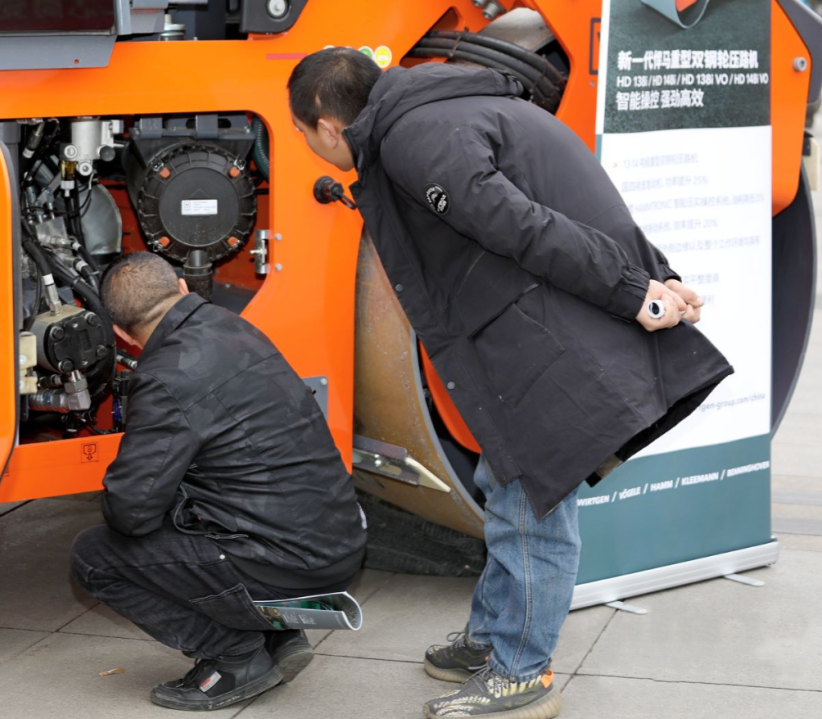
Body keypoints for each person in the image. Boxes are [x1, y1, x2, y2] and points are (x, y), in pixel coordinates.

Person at [288, 49, 732, 719]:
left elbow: (522, 225)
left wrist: (635, 288)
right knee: (509, 481)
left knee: (531, 497)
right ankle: (496, 633)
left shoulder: (417, 138)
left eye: (299, 134)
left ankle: (521, 669)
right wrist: (650, 276)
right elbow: (571, 198)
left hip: (545, 329)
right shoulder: (445, 110)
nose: (307, 146)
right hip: (536, 319)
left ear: (324, 124)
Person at [71, 252, 367, 712]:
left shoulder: (166, 377)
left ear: (122, 336)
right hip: (337, 539)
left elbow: (130, 512)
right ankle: (276, 634)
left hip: (287, 561)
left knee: (95, 557)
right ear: (184, 291)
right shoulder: (234, 327)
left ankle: (234, 653)